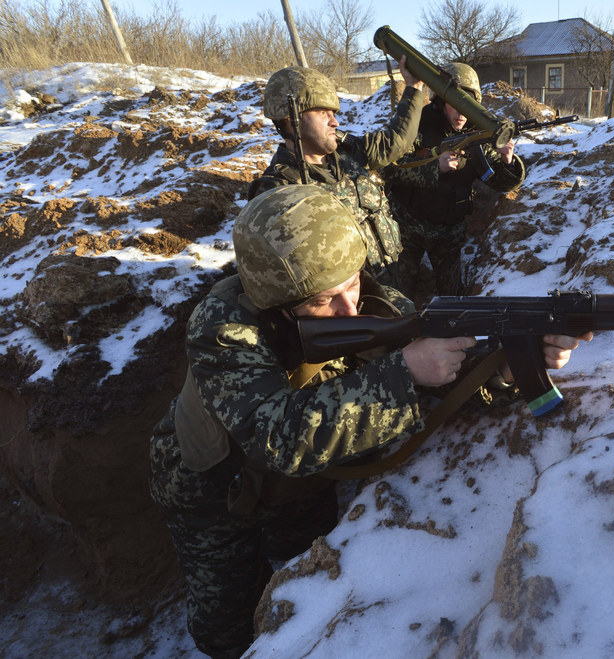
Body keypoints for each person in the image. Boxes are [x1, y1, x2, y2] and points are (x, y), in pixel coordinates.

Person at [148, 185, 590, 658]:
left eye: (352, 283)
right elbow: (276, 436)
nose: (349, 309)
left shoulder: (376, 303)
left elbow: (446, 379)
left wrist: (502, 368)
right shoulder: (222, 328)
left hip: (303, 485)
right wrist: (403, 373)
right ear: (277, 302)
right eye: (323, 300)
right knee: (226, 626)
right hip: (210, 489)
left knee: (299, 568)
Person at [248, 58, 426, 284]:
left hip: (390, 285)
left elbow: (396, 142)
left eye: (334, 112)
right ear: (290, 118)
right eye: (323, 112)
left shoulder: (349, 153)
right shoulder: (278, 190)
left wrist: (413, 87)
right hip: (346, 308)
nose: (336, 122)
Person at [384, 62, 526, 298]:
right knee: (398, 294)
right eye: (456, 104)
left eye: (468, 107)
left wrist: (508, 162)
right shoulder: (417, 122)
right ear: (441, 100)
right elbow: (390, 167)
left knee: (452, 298)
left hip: (449, 233)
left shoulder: (479, 132)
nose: (461, 114)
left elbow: (500, 184)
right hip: (407, 227)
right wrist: (433, 167)